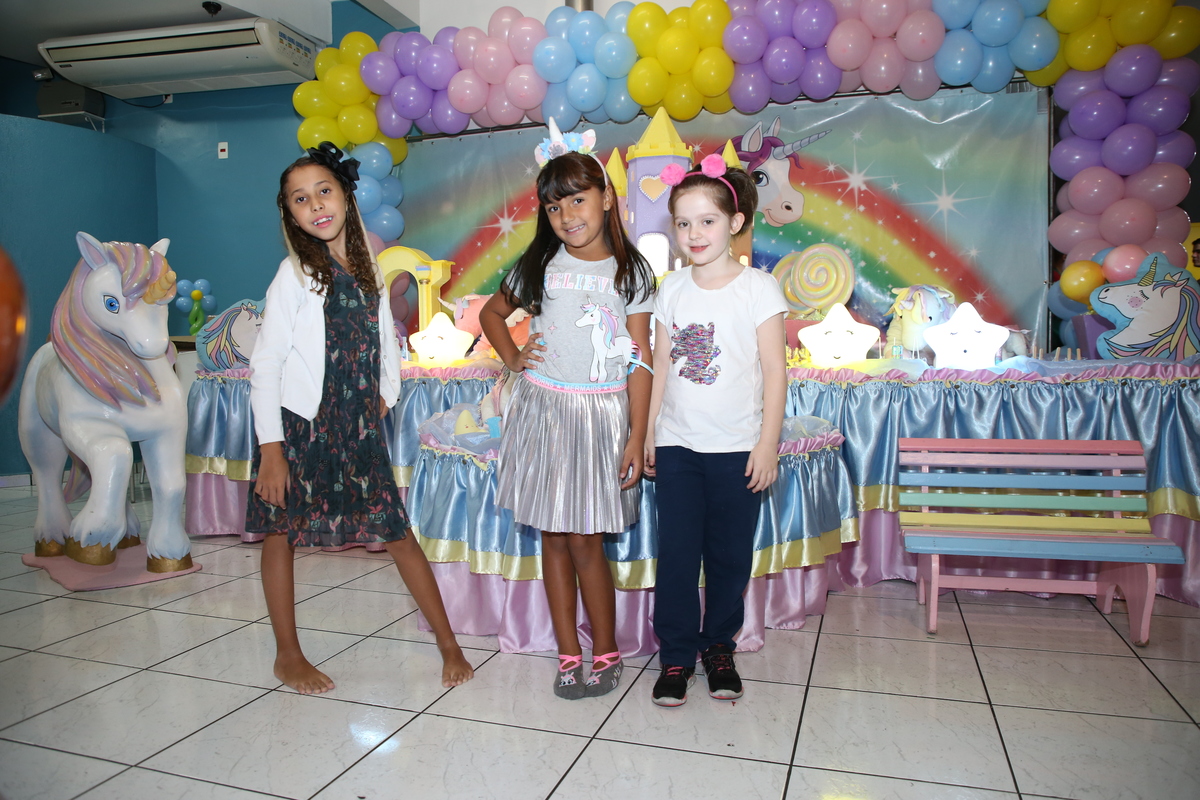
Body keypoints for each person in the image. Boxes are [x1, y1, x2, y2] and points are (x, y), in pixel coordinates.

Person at [247, 142, 473, 694]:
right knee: (281, 532)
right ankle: (287, 655)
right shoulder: (294, 274)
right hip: (301, 426)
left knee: (397, 531)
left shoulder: (367, 261)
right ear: (289, 214)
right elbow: (266, 363)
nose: (316, 205)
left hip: (358, 426)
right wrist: (271, 449)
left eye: (324, 191)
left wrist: (386, 393)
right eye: (301, 199)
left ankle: (448, 643)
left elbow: (383, 337)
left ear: (345, 196)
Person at [480, 124, 655, 700]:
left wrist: (636, 434)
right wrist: (513, 357)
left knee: (586, 541)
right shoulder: (540, 263)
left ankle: (605, 650)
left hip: (601, 418)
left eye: (577, 199)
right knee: (553, 538)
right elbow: (492, 314)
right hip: (543, 412)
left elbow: (639, 357)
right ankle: (567, 654)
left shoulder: (631, 273)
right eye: (554, 206)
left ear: (606, 197)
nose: (566, 215)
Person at [644, 155, 788, 707]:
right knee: (677, 557)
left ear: (735, 222)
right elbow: (660, 367)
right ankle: (677, 655)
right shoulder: (671, 289)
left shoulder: (759, 288)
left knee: (729, 556)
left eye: (707, 220)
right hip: (678, 447)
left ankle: (719, 647)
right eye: (683, 223)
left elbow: (775, 372)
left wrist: (767, 444)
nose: (694, 233)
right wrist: (650, 433)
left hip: (737, 450)